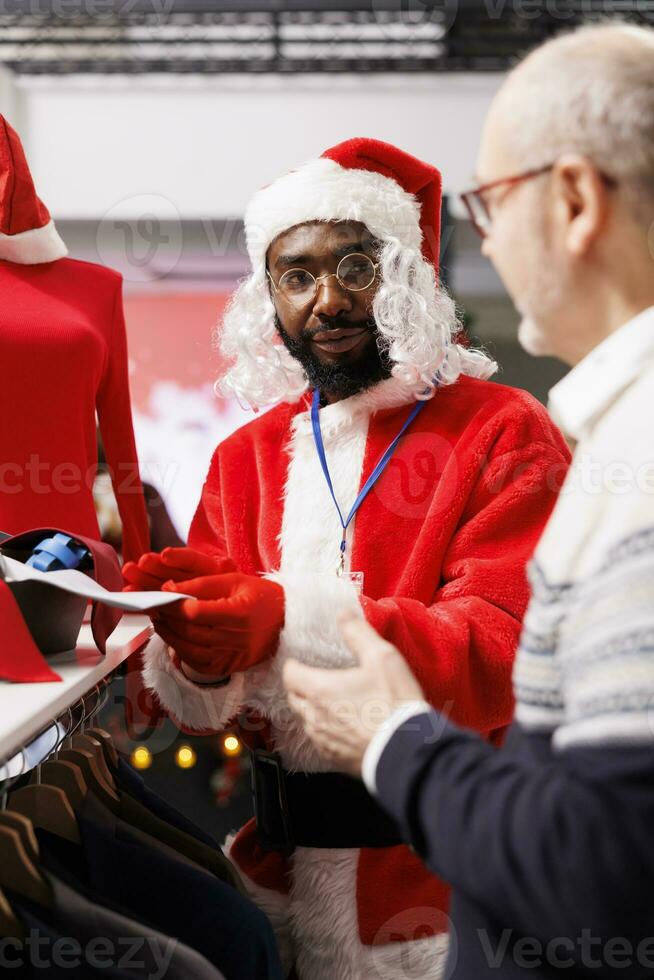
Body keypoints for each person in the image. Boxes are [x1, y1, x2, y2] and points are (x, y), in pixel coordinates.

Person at [125, 138, 568, 979]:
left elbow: (506, 647)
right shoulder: (244, 457)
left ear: (400, 275)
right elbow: (190, 711)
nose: (327, 301)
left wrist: (288, 620)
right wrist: (203, 660)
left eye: (355, 268)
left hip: (447, 896)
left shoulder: (504, 431)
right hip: (272, 889)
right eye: (296, 276)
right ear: (269, 297)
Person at [282, 23, 654, 980]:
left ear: (573, 200)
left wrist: (393, 737)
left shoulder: (623, 455)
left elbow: (609, 866)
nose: (482, 236)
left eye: (492, 201)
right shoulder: (615, 432)